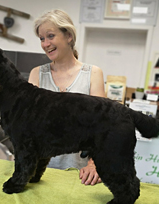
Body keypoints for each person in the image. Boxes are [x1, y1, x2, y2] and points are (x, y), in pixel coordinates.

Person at [28, 9, 105, 186]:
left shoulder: (92, 74)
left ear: (68, 36)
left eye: (50, 36)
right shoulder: (37, 74)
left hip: (79, 173)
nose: (46, 44)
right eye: (41, 38)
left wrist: (94, 164)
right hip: (40, 173)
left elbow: (102, 126)